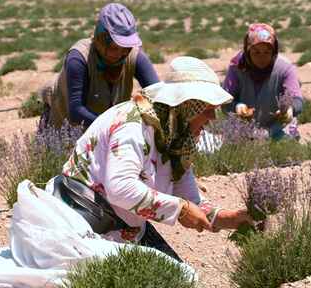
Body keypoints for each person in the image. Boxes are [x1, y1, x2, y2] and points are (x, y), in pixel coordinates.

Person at [49, 56, 252, 262]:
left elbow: (189, 197)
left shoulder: (175, 136)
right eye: (207, 110)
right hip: (84, 223)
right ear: (188, 108)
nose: (213, 119)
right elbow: (120, 188)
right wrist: (180, 209)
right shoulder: (133, 126)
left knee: (180, 278)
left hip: (123, 225)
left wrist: (228, 218)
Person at [39, 3, 160, 131]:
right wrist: (116, 125)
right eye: (114, 47)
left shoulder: (134, 56)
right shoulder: (79, 58)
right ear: (101, 39)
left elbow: (159, 95)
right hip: (66, 121)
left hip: (109, 125)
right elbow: (76, 111)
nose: (120, 54)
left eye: (125, 48)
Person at [222, 23, 303, 140]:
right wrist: (237, 107)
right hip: (243, 129)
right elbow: (225, 101)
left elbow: (297, 100)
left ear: (274, 51)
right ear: (248, 50)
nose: (261, 57)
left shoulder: (284, 68)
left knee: (285, 145)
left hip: (277, 128)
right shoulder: (237, 67)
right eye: (256, 52)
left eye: (267, 52)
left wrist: (289, 110)